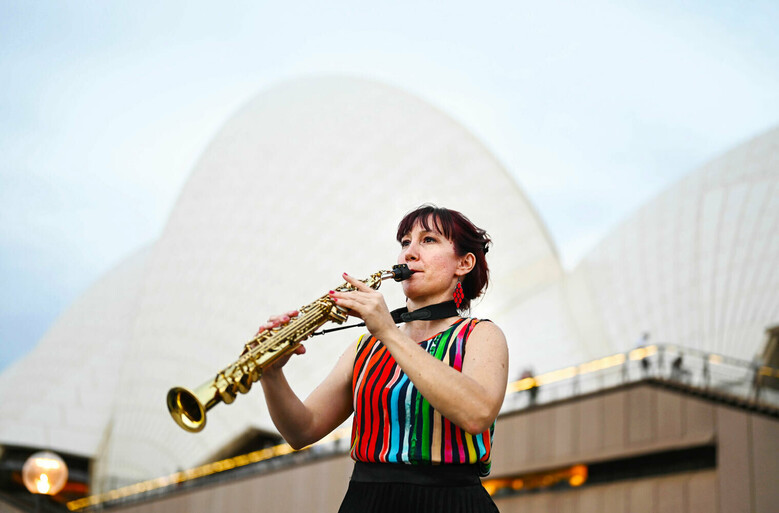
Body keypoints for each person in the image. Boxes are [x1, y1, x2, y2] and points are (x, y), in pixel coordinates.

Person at [258, 205, 508, 512]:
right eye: (405, 243)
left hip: (451, 501)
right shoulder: (365, 348)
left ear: (464, 263)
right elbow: (301, 431)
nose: (409, 253)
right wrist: (271, 375)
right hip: (367, 500)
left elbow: (476, 413)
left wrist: (389, 333)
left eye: (428, 240)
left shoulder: (480, 335)